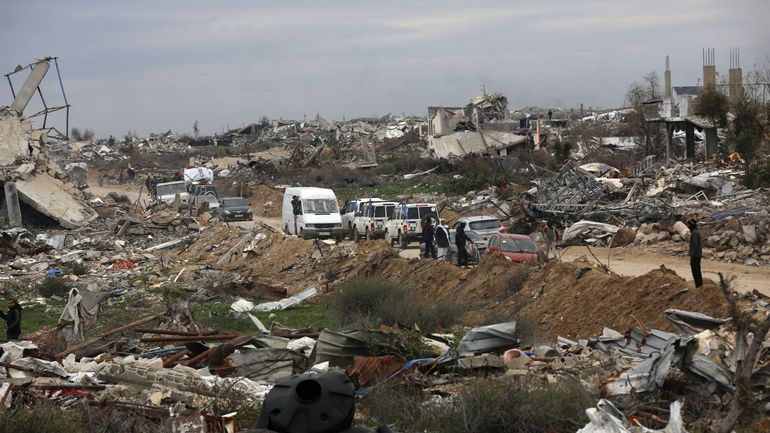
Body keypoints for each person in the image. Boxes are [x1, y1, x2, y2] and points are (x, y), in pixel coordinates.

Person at [688, 219, 703, 288]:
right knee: (698, 271)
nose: (688, 227)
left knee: (695, 272)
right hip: (698, 255)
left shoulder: (694, 233)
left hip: (695, 256)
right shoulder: (697, 232)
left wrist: (692, 254)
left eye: (689, 225)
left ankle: (698, 286)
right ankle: (699, 286)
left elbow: (695, 245)